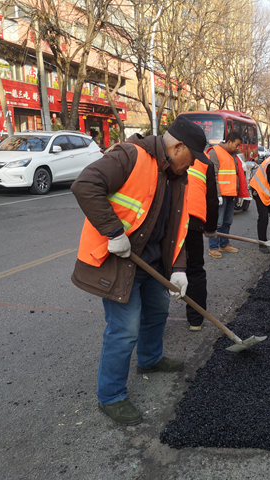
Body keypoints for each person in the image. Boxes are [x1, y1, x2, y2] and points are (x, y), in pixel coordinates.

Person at [71, 115, 207, 425]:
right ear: (179, 146)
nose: (193, 165)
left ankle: (150, 359)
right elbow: (85, 185)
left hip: (153, 261)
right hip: (121, 261)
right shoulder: (130, 156)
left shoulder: (178, 177)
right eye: (192, 158)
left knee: (158, 311)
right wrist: (114, 233)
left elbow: (178, 226)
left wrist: (179, 268)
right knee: (124, 329)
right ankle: (111, 396)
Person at [185, 151, 219, 331]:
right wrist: (211, 229)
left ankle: (150, 323)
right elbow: (212, 200)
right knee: (194, 270)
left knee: (160, 269)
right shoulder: (206, 162)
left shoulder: (164, 151)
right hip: (192, 221)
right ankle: (195, 320)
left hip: (167, 220)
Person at [207, 132, 243, 258]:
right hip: (221, 194)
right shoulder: (214, 152)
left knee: (227, 221)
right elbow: (213, 175)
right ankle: (213, 247)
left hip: (231, 193)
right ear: (229, 142)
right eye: (237, 145)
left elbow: (235, 175)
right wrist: (217, 194)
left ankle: (224, 244)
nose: (238, 147)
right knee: (217, 222)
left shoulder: (233, 155)